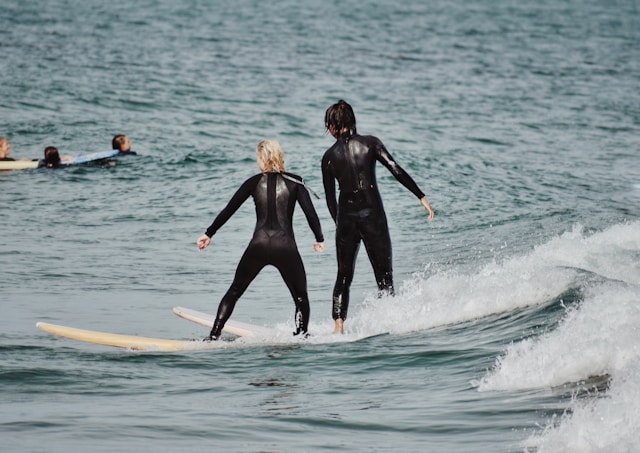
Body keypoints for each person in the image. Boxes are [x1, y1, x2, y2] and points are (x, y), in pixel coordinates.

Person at [321, 100, 435, 334]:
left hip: (346, 220)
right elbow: (395, 168)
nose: (329, 131)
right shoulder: (370, 144)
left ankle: (338, 326)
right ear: (352, 121)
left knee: (343, 276)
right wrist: (420, 196)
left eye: (328, 125)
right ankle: (389, 322)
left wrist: (340, 224)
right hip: (373, 217)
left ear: (334, 125)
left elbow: (330, 199)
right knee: (384, 276)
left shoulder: (329, 157)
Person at [197, 139, 325, 340]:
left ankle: (213, 336)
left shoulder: (253, 182)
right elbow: (311, 213)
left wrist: (209, 233)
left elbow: (229, 210)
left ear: (262, 158)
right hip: (286, 247)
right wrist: (319, 238)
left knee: (234, 291)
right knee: (301, 297)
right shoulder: (296, 181)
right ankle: (301, 336)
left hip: (259, 245)